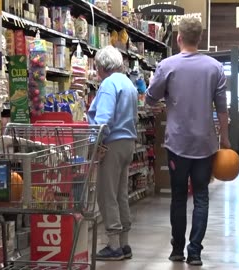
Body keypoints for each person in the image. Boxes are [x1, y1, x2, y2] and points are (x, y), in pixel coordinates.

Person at [145, 17, 230, 266]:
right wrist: (224, 138)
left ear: (178, 37)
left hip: (177, 144)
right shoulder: (215, 67)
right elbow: (222, 109)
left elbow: (150, 98)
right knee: (201, 196)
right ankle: (195, 252)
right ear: (200, 38)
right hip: (205, 144)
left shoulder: (167, 65)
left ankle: (176, 250)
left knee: (179, 197)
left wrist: (164, 101)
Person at [87, 45, 138, 261]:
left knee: (106, 194)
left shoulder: (109, 84)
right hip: (128, 143)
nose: (96, 71)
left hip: (112, 144)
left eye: (97, 67)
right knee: (120, 194)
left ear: (103, 67)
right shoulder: (128, 83)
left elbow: (103, 119)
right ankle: (124, 243)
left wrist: (95, 143)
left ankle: (114, 245)